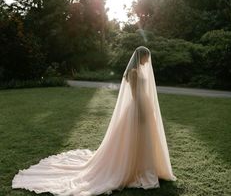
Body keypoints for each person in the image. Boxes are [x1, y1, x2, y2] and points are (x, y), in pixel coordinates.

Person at [12, 46, 176, 196]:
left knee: (145, 139)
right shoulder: (133, 72)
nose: (148, 60)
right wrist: (141, 111)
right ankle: (134, 168)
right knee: (134, 139)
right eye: (147, 57)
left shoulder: (139, 70)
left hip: (143, 106)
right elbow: (134, 94)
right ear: (141, 56)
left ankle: (145, 166)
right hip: (137, 108)